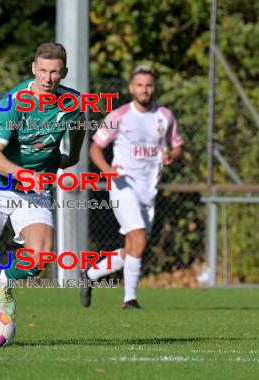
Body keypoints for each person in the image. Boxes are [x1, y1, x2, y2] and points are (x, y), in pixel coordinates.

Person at [0, 42, 86, 343]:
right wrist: (24, 174)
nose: (48, 78)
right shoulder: (14, 103)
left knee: (41, 256)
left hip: (33, 192)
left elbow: (80, 124)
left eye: (55, 72)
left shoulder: (73, 102)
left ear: (64, 72)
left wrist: (72, 155)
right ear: (33, 69)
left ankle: (5, 281)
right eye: (43, 71)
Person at [81, 65, 184, 309]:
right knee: (138, 239)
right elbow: (95, 148)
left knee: (133, 247)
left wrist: (173, 156)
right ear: (131, 88)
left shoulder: (165, 116)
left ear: (154, 88)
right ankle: (130, 299)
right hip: (122, 185)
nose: (144, 90)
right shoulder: (120, 116)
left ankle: (90, 275)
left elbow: (177, 145)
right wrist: (107, 171)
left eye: (148, 85)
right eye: (139, 85)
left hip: (149, 190)